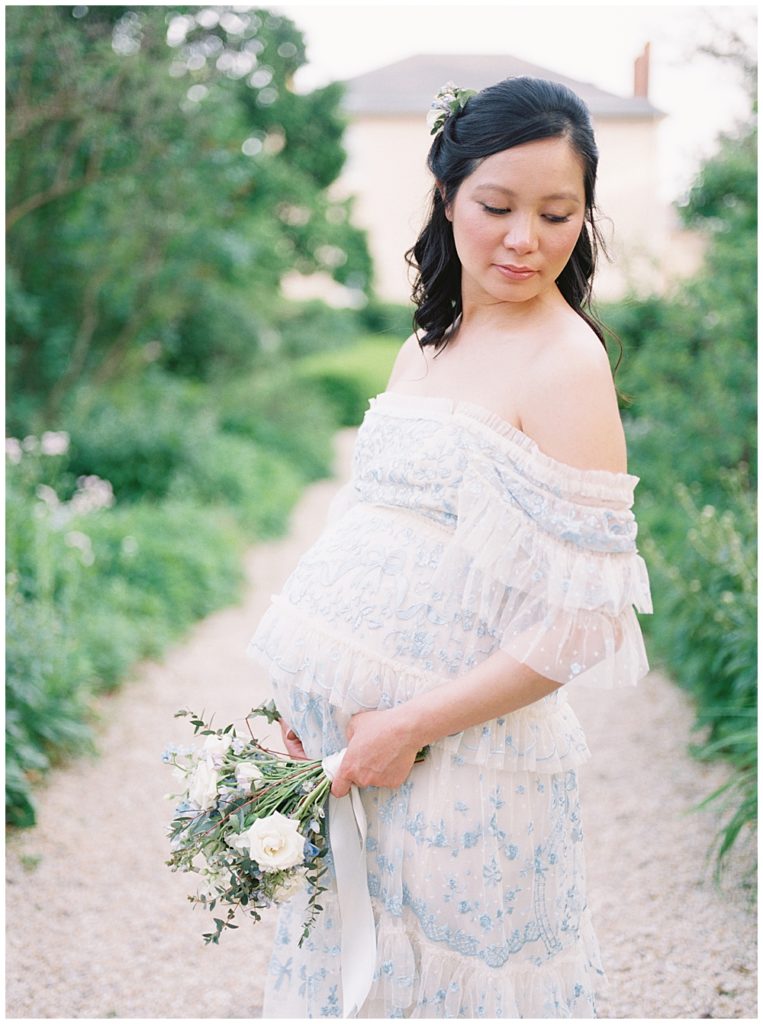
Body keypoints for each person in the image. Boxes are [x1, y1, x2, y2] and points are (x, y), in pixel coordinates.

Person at [248, 75, 652, 1018]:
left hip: (462, 766)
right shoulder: (428, 341)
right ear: (446, 195)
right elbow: (373, 530)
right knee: (353, 980)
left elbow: (581, 623)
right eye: (497, 206)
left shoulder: (566, 363)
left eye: (557, 214)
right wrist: (304, 695)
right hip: (347, 757)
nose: (525, 239)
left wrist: (411, 724)